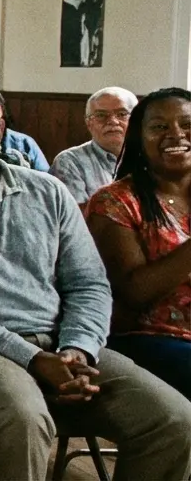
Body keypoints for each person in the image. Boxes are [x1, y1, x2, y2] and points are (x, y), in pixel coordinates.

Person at [0, 91, 191, 481]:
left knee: (172, 421)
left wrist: (77, 350)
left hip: (59, 341)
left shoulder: (47, 192)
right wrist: (33, 358)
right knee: (23, 417)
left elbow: (89, 284)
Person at [87, 88, 191, 398]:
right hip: (150, 339)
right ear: (139, 139)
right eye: (159, 127)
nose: (176, 135)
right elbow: (133, 292)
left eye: (187, 125)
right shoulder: (116, 201)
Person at [54, 86, 137, 204]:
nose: (113, 121)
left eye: (122, 114)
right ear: (89, 123)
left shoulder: (153, 158)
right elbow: (77, 216)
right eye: (101, 115)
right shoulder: (70, 162)